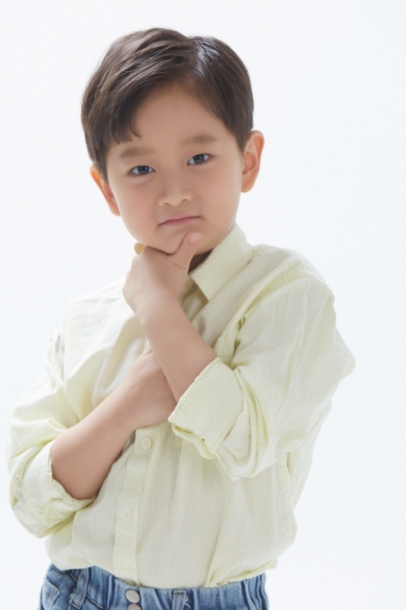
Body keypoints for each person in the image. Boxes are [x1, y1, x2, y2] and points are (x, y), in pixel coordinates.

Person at [7, 28, 355, 610]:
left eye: (198, 158)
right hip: (78, 594)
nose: (172, 192)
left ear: (248, 161)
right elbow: (31, 500)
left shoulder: (286, 294)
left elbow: (247, 441)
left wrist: (159, 308)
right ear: (107, 189)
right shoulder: (88, 319)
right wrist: (127, 406)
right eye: (141, 169)